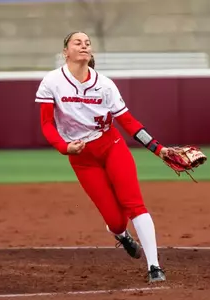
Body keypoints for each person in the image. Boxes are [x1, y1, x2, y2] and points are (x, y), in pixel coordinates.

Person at [35, 31, 170, 283]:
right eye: (77, 42)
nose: (84, 45)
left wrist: (157, 148)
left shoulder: (105, 84)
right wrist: (65, 147)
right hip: (82, 157)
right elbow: (46, 124)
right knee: (116, 221)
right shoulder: (52, 82)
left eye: (87, 43)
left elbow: (128, 122)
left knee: (134, 204)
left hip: (111, 146)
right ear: (66, 51)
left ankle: (154, 267)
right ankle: (121, 234)